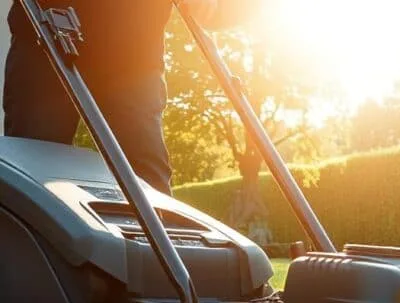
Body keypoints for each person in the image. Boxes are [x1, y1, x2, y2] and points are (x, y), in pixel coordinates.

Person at [3, 0, 248, 195]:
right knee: (35, 171)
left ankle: (156, 255)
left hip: (133, 51)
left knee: (147, 178)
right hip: (45, 35)